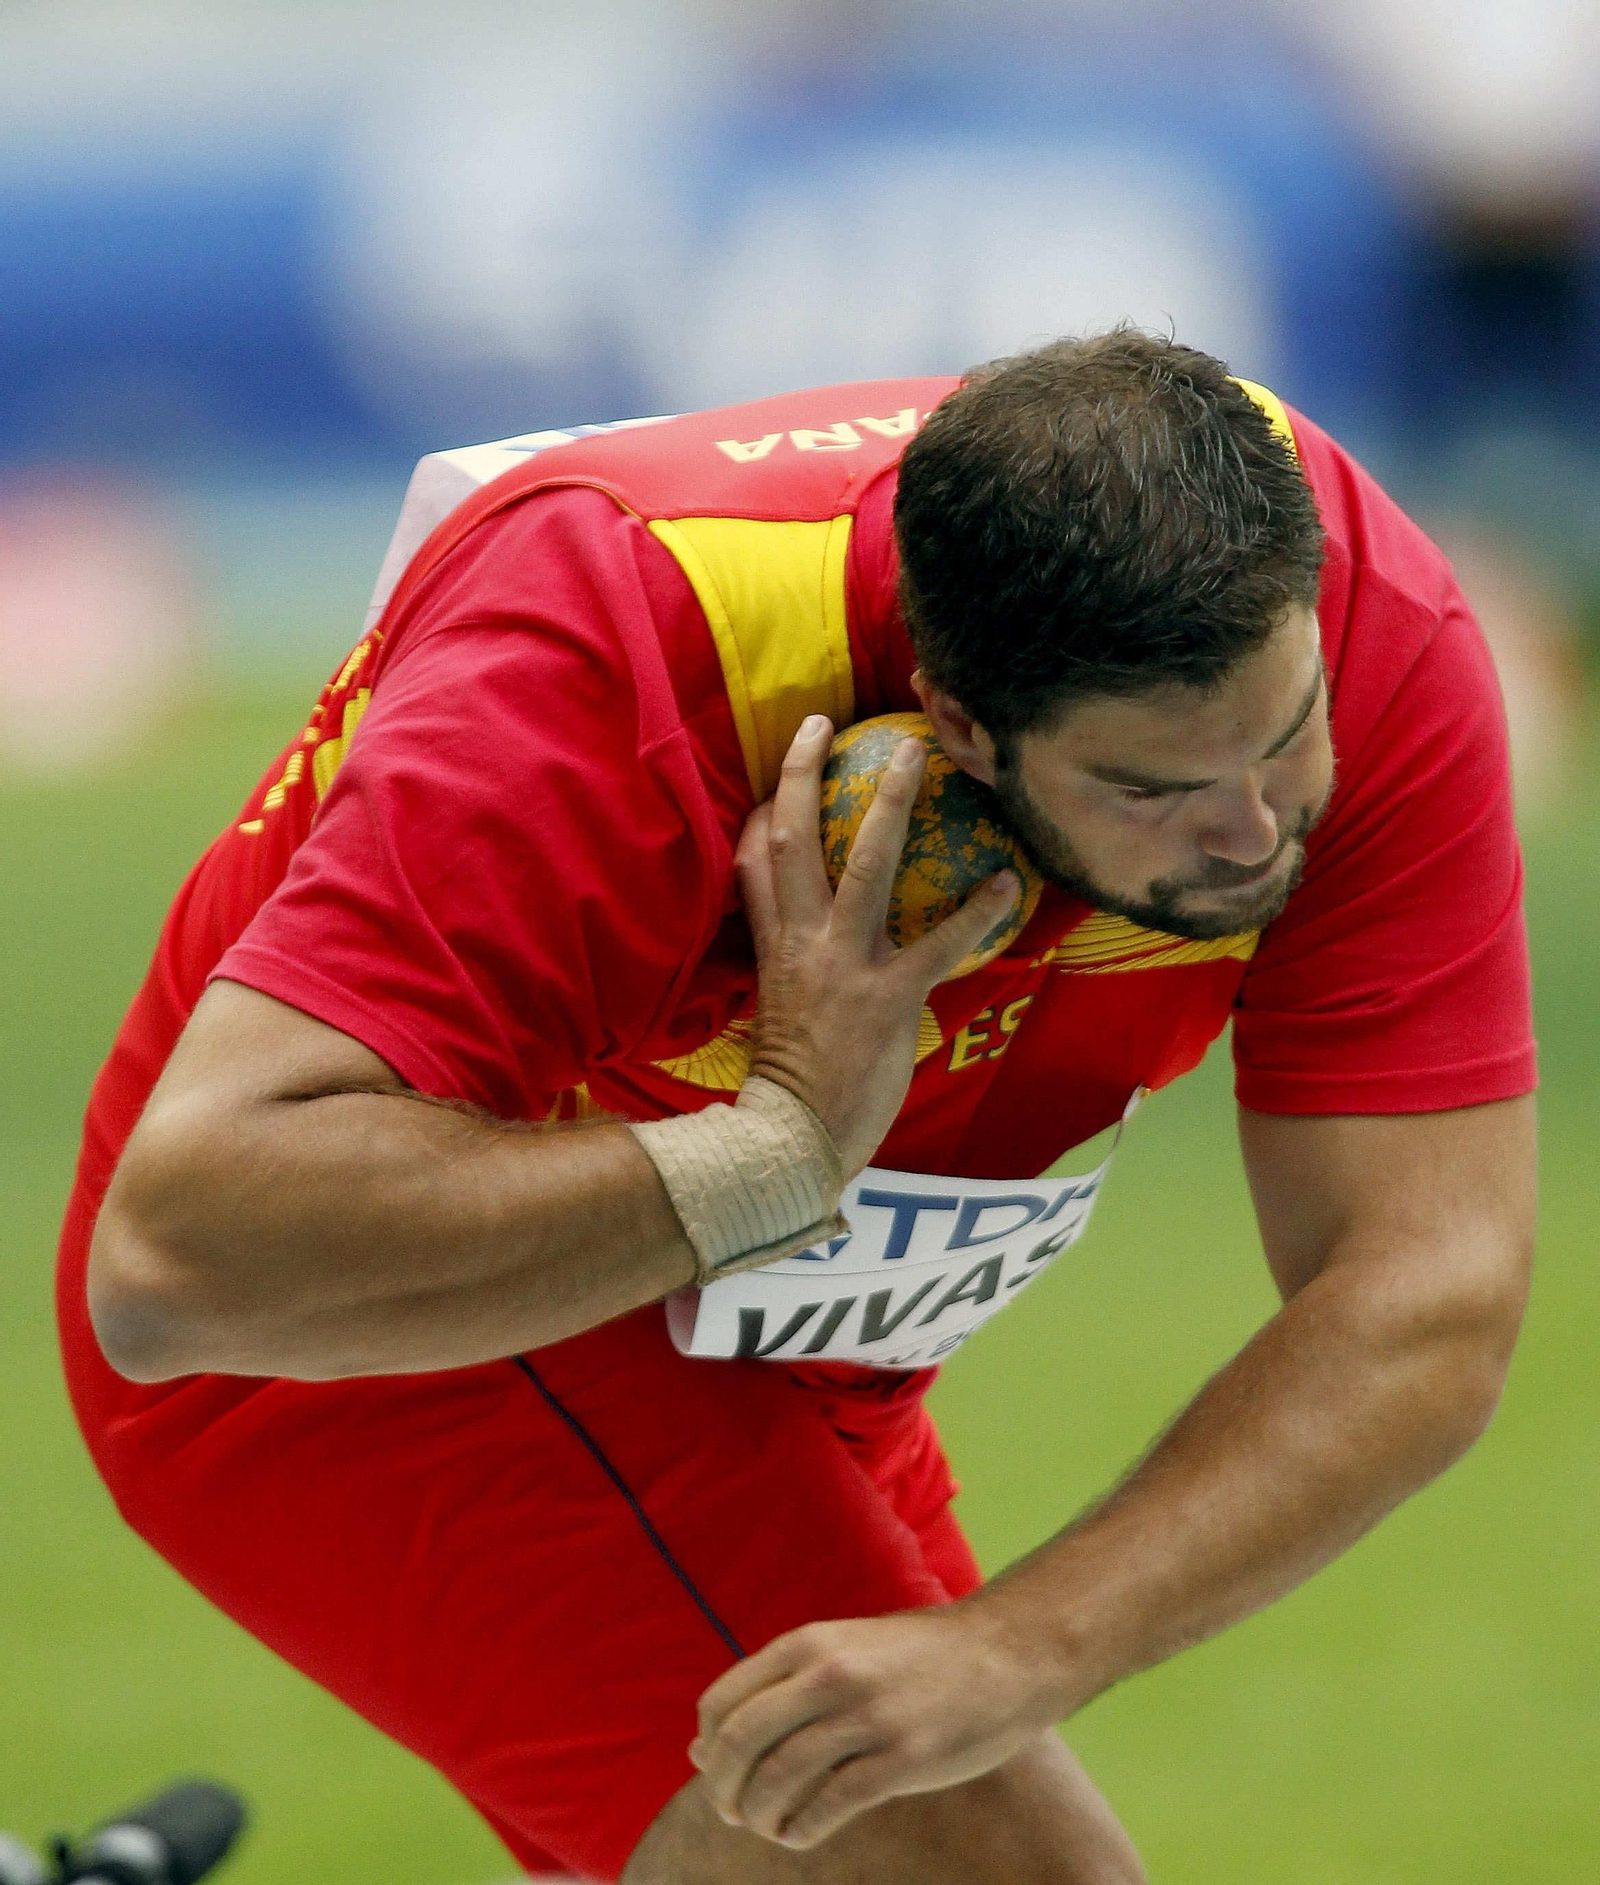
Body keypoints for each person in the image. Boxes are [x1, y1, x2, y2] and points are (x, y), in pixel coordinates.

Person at [64, 330, 1536, 1883]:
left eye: (1285, 732)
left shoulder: (1357, 612)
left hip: (784, 1347)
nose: (1256, 831)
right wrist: (783, 1144)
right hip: (373, 1336)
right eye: (1153, 791)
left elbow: (1427, 1289)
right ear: (959, 722)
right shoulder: (614, 640)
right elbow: (176, 1268)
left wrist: (1022, 1644)